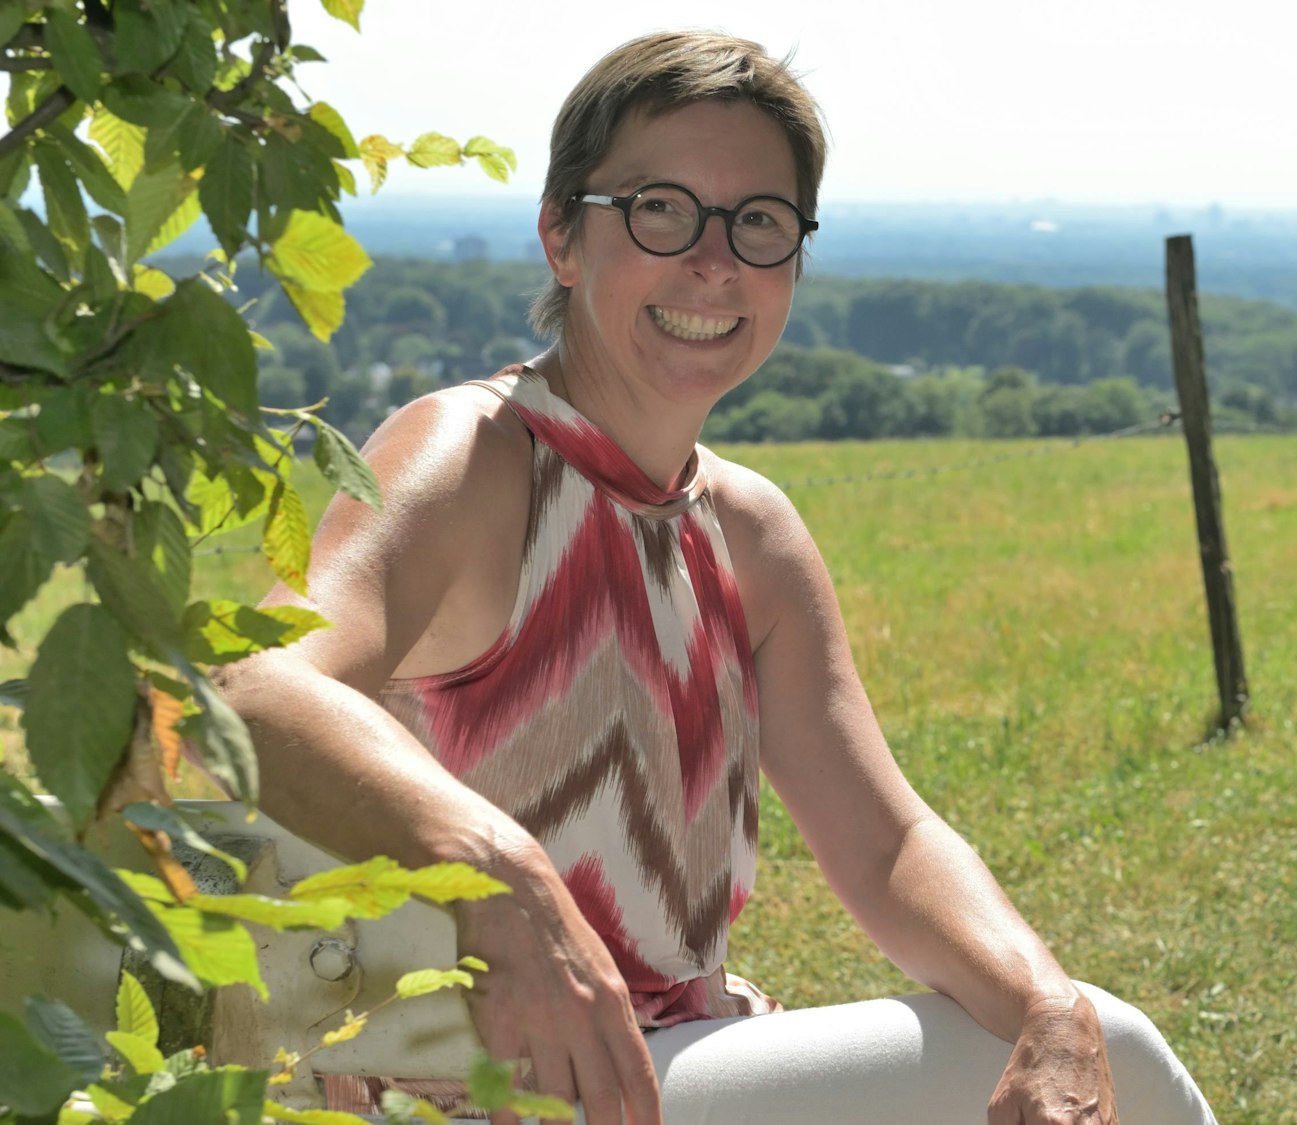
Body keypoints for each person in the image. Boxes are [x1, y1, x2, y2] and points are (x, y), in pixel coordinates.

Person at [220, 30, 1214, 1125]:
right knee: (1127, 1050)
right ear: (561, 236)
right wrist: (502, 880)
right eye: (659, 209)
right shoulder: (474, 457)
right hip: (467, 1090)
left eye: (758, 222)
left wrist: (1043, 1005)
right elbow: (253, 682)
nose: (713, 262)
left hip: (676, 1062)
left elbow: (887, 845)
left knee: (1073, 1034)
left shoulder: (746, 529)